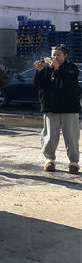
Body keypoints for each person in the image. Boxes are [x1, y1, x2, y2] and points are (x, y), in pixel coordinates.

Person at [33, 45, 80, 174]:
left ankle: (74, 162)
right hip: (51, 108)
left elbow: (69, 82)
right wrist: (40, 71)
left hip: (69, 108)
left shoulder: (72, 69)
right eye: (53, 55)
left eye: (58, 55)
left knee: (71, 136)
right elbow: (39, 85)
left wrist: (58, 68)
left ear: (65, 56)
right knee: (49, 136)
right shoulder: (48, 69)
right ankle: (49, 160)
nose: (55, 58)